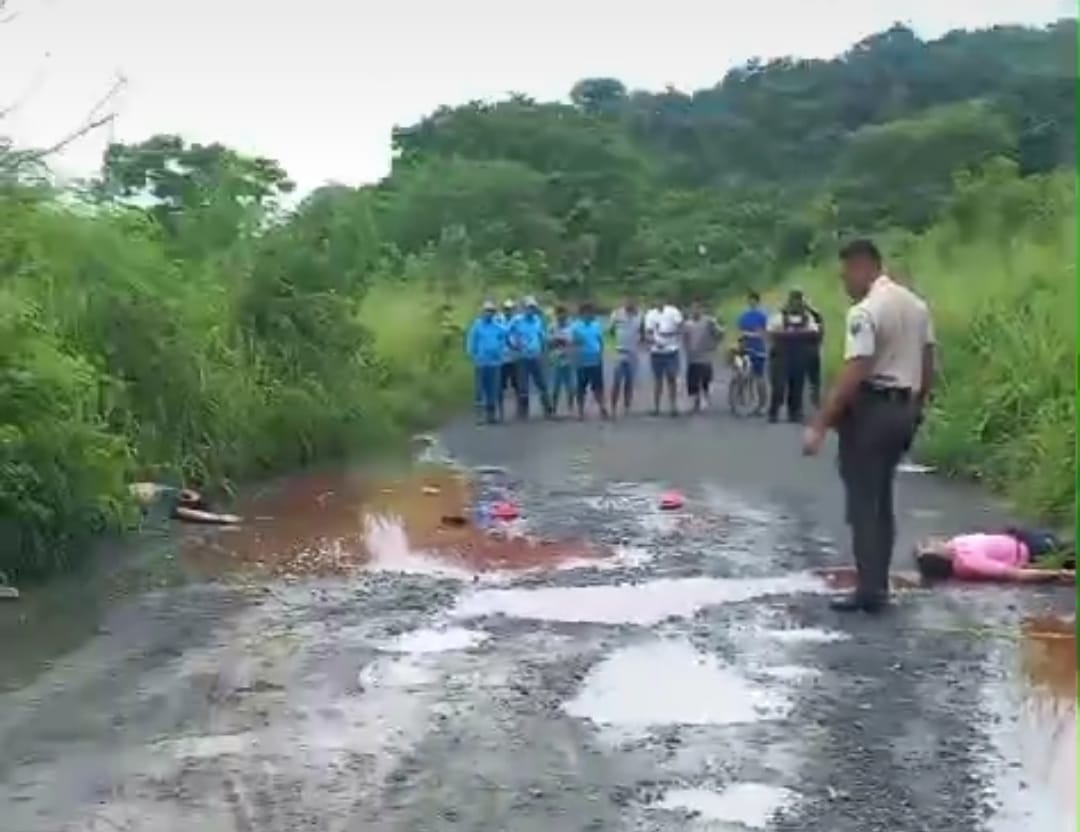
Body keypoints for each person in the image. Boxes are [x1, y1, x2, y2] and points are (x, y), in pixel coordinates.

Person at [802, 238, 936, 614]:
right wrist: (916, 406)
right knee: (882, 498)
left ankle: (870, 590)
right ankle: (877, 584)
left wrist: (820, 423)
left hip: (872, 409)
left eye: (846, 273)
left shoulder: (865, 311)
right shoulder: (916, 305)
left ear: (863, 266)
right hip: (903, 408)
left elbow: (855, 370)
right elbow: (928, 366)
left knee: (864, 500)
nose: (844, 281)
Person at [915, 533, 1074, 583]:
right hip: (1033, 550)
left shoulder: (953, 546)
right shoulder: (971, 563)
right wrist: (1059, 573)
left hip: (1021, 537)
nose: (931, 542)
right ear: (941, 557)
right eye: (930, 546)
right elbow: (1016, 574)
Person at [766, 289, 819, 424]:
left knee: (797, 385)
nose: (796, 303)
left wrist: (790, 333)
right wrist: (796, 334)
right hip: (781, 355)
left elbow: (815, 331)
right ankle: (774, 411)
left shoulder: (808, 317)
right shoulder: (779, 316)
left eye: (798, 300)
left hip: (799, 355)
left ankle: (794, 412)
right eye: (793, 300)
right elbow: (770, 331)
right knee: (779, 385)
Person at [508, 296, 554, 419]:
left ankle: (548, 409)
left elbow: (542, 336)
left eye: (533, 307)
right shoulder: (517, 320)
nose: (531, 310)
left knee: (542, 383)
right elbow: (508, 334)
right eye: (529, 307)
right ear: (524, 308)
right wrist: (514, 344)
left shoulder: (537, 320)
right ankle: (523, 410)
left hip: (536, 356)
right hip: (522, 356)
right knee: (522, 385)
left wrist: (545, 351)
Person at [466, 300, 509, 424]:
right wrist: (472, 355)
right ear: (482, 312)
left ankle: (491, 415)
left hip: (495, 363)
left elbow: (506, 339)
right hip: (481, 362)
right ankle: (479, 416)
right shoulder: (477, 326)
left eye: (491, 311)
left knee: (493, 389)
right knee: (479, 390)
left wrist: (502, 351)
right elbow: (471, 341)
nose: (489, 313)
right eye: (487, 311)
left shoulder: (498, 327)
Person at [644, 297, 683, 417]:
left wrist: (677, 335)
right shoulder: (650, 314)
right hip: (657, 351)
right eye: (656, 301)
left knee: (672, 378)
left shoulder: (673, 311)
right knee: (658, 380)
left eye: (660, 300)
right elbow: (649, 332)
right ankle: (656, 407)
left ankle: (673, 406)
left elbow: (680, 325)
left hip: (671, 350)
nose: (658, 303)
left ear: (664, 301)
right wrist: (654, 342)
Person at [570, 301, 609, 420]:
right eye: (587, 312)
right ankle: (580, 412)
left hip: (595, 359)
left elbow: (600, 341)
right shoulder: (575, 326)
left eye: (591, 312)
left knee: (598, 387)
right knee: (581, 388)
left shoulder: (596, 325)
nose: (590, 314)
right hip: (582, 360)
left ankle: (602, 408)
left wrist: (600, 354)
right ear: (582, 313)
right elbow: (572, 343)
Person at [683, 300, 723, 413]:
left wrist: (715, 345)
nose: (695, 311)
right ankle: (696, 402)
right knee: (692, 382)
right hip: (692, 357)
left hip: (705, 356)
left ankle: (705, 397)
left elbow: (720, 333)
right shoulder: (688, 324)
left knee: (706, 380)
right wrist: (687, 350)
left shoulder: (708, 322)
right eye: (693, 309)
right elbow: (685, 338)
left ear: (701, 310)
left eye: (697, 308)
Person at [609, 297, 644, 416]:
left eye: (632, 301)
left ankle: (627, 407)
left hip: (633, 353)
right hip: (620, 352)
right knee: (616, 382)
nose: (629, 303)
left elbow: (642, 332)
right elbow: (610, 331)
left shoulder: (639, 315)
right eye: (627, 301)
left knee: (629, 382)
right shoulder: (616, 314)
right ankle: (613, 407)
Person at [735, 291, 769, 415]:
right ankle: (740, 398)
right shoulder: (744, 316)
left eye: (753, 300)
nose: (751, 302)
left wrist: (750, 334)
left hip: (758, 349)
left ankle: (762, 404)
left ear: (757, 302)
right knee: (741, 373)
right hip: (745, 348)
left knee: (759, 377)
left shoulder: (762, 316)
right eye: (750, 300)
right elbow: (740, 331)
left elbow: (764, 333)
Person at [548, 305, 577, 416]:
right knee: (555, 387)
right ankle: (553, 409)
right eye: (559, 314)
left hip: (568, 360)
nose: (561, 316)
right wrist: (559, 341)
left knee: (571, 387)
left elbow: (573, 342)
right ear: (556, 315)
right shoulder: (552, 327)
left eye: (563, 314)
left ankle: (570, 408)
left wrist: (560, 340)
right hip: (556, 360)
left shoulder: (572, 327)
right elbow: (549, 343)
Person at [498, 299, 520, 421]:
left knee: (517, 385)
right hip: (501, 358)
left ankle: (520, 410)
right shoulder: (498, 320)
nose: (508, 311)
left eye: (510, 309)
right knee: (500, 387)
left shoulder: (517, 321)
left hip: (514, 358)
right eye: (506, 309)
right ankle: (500, 411)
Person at [804, 297, 825, 409]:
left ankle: (815, 399)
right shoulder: (809, 316)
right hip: (809, 349)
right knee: (812, 378)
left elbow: (820, 334)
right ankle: (813, 399)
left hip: (812, 349)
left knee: (814, 378)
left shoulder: (815, 317)